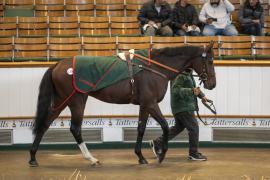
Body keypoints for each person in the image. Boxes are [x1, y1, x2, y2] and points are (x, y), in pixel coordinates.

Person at [150, 69, 208, 161]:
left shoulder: (187, 73)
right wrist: (191, 91)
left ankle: (158, 142)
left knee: (178, 127)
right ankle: (193, 153)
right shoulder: (180, 75)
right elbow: (175, 90)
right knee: (194, 128)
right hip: (183, 107)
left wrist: (202, 96)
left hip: (181, 107)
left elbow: (193, 88)